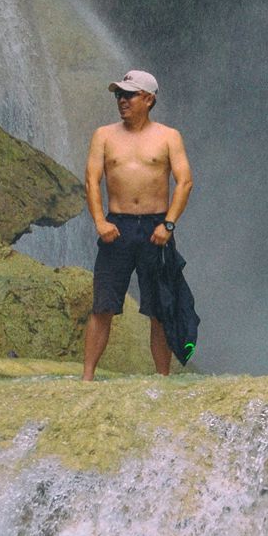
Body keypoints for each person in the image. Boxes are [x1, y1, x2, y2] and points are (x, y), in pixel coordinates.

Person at [82, 69, 193, 381]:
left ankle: (162, 379)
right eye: (119, 94)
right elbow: (92, 179)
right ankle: (87, 378)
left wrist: (168, 225)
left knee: (159, 310)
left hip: (156, 229)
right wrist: (100, 221)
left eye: (128, 94)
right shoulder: (103, 135)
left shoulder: (169, 137)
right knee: (102, 305)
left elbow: (184, 182)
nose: (121, 100)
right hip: (115, 228)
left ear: (148, 98)